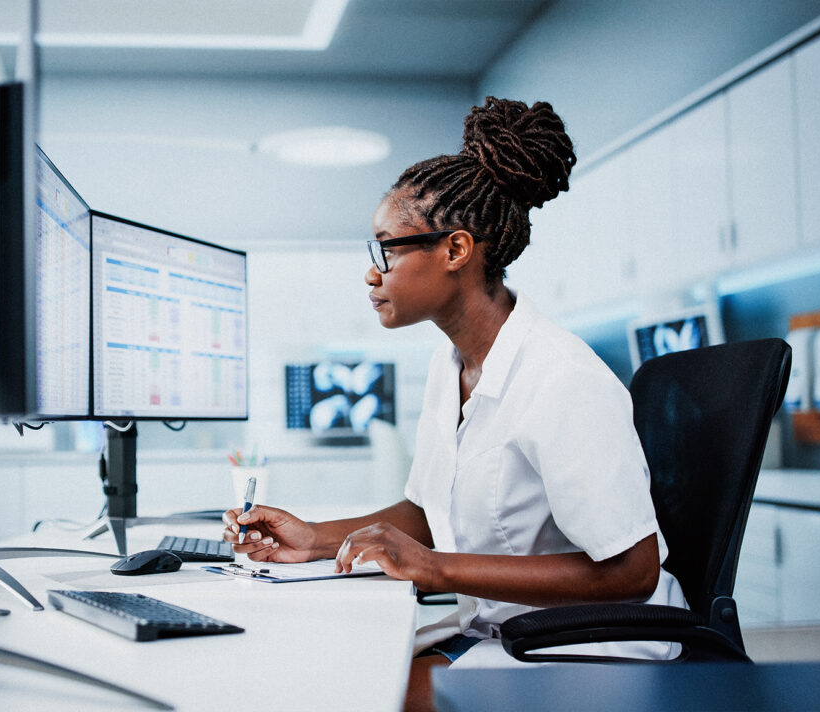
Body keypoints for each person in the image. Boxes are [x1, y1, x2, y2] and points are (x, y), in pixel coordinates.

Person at [222, 97, 687, 712]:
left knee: (357, 697)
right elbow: (426, 508)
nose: (372, 273)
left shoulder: (563, 379)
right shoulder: (454, 367)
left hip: (596, 645)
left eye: (387, 249)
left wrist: (436, 568)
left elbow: (633, 571)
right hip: (506, 630)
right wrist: (313, 540)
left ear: (455, 250)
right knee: (320, 669)